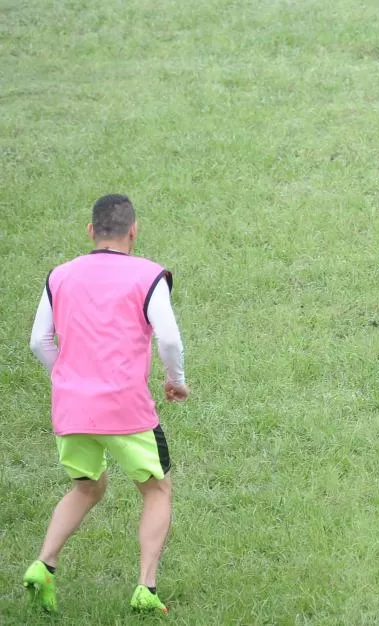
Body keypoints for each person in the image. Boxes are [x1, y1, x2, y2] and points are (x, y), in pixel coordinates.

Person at [24, 194, 189, 614]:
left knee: (87, 487)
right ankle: (146, 589)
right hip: (126, 409)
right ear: (133, 231)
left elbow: (38, 341)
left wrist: (67, 380)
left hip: (72, 409)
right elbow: (168, 338)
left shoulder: (59, 275)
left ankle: (44, 565)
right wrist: (176, 382)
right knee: (156, 489)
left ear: (90, 232)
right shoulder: (148, 275)